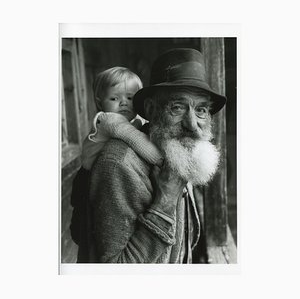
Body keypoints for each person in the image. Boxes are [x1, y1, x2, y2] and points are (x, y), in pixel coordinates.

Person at [83, 48, 226, 263]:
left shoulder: (177, 152)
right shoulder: (118, 165)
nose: (193, 125)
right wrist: (165, 202)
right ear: (150, 109)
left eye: (201, 110)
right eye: (177, 108)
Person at [70, 67, 162, 261]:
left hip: (101, 177)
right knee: (87, 227)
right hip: (87, 180)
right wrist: (164, 161)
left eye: (130, 97)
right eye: (114, 98)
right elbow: (140, 143)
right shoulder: (110, 120)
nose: (124, 103)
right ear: (99, 102)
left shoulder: (132, 120)